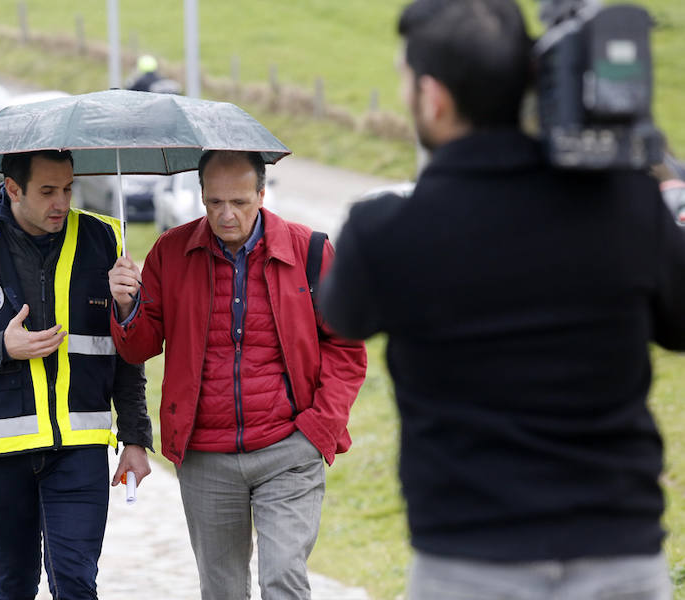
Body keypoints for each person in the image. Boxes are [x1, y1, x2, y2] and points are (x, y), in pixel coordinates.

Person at [318, 1, 685, 598]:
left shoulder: (386, 231)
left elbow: (340, 314)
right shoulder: (626, 208)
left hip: (468, 562)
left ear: (432, 97)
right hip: (618, 553)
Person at [108, 150, 367, 599]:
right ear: (202, 197)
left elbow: (346, 346)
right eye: (214, 202)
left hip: (289, 449)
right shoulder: (171, 252)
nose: (226, 215)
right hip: (206, 455)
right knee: (222, 589)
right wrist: (127, 306)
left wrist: (319, 428)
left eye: (240, 202)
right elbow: (139, 346)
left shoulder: (309, 250)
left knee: (282, 576)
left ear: (262, 194)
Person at [0, 149, 152, 600]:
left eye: (67, 189)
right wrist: (1, 346)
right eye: (47, 192)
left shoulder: (103, 241)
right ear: (12, 188)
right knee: (13, 584)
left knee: (76, 584)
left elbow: (125, 350)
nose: (60, 202)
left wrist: (128, 309)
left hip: (79, 449)